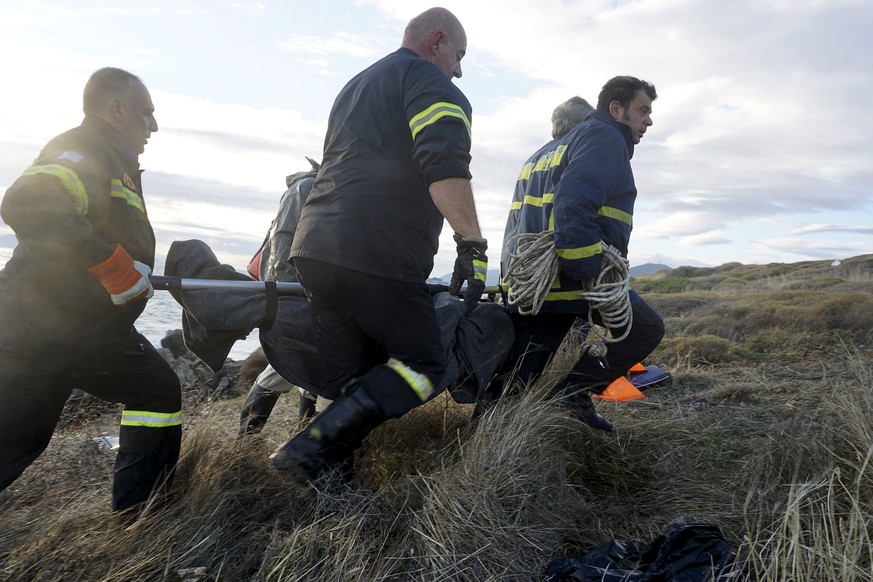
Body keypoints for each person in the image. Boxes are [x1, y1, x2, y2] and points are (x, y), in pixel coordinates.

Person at [271, 7, 487, 482]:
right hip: (375, 253)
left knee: (355, 374)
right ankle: (307, 449)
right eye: (459, 54)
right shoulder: (433, 85)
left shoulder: (356, 85)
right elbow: (445, 164)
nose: (459, 68)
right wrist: (471, 244)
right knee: (424, 366)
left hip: (314, 249)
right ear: (436, 41)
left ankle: (332, 480)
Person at [0, 67, 182, 512]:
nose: (154, 126)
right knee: (14, 442)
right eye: (146, 114)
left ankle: (141, 515)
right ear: (115, 108)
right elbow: (27, 202)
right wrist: (114, 269)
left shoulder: (117, 164)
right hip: (41, 331)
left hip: (95, 333)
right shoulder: (82, 151)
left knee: (157, 392)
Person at [490, 77, 666, 431]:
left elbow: (516, 224)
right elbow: (573, 205)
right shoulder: (602, 137)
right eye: (643, 110)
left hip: (530, 286)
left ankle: (491, 443)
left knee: (517, 379)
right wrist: (590, 271)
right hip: (572, 281)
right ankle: (572, 396)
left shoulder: (536, 157)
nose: (649, 121)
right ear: (615, 109)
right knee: (644, 329)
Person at [238, 158, 330, 436]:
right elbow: (282, 242)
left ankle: (302, 439)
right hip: (295, 296)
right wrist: (289, 298)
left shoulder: (334, 190)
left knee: (314, 367)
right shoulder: (305, 188)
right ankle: (246, 441)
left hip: (317, 296)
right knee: (285, 369)